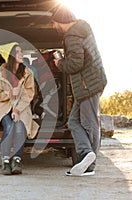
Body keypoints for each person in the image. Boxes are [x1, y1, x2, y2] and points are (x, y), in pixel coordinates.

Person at [51, 5, 107, 176]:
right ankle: (86, 155)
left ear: (61, 21)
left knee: (90, 124)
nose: (54, 26)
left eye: (54, 23)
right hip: (87, 84)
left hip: (87, 85)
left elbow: (76, 64)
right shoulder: (80, 30)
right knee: (74, 122)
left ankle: (89, 166)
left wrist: (59, 63)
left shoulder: (72, 36)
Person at [0, 42, 39, 175]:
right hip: (5, 108)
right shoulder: (1, 73)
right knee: (9, 126)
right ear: (11, 56)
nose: (21, 54)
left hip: (22, 109)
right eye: (18, 52)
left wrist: (17, 110)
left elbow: (29, 95)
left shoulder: (27, 73)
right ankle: (5, 161)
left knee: (20, 127)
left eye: (21, 52)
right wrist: (10, 93)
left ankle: (16, 161)